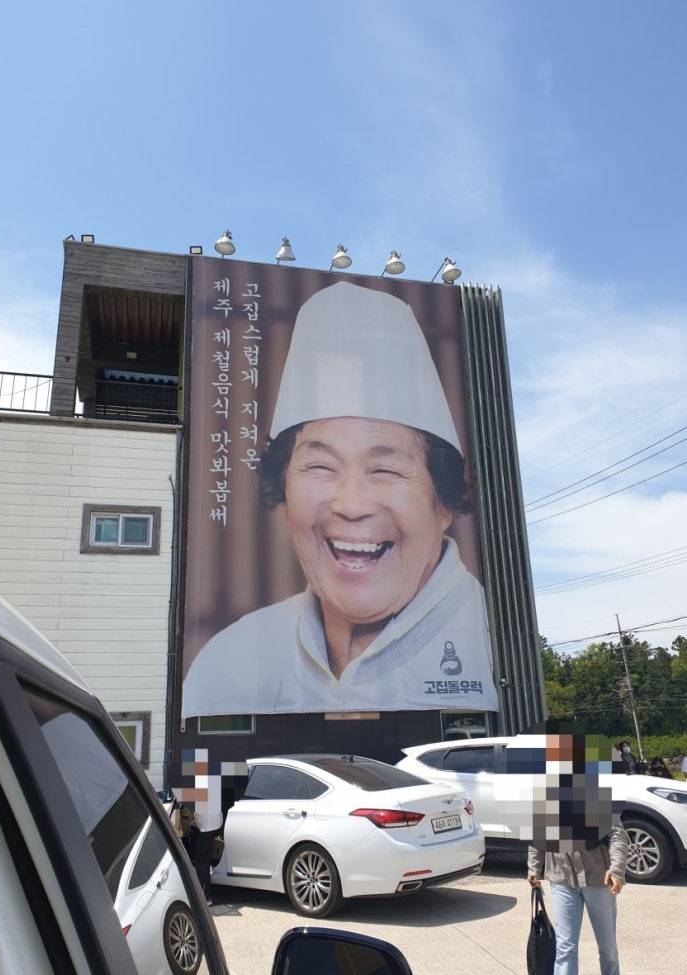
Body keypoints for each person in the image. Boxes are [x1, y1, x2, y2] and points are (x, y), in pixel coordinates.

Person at [181, 282, 495, 717]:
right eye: (320, 466)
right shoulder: (228, 662)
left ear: (444, 504)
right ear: (284, 490)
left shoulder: (492, 639)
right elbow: (204, 784)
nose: (351, 505)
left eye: (384, 470)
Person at [526, 729, 627, 975]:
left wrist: (616, 870)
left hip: (597, 878)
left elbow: (617, 835)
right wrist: (533, 868)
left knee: (608, 948)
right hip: (561, 878)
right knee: (565, 946)